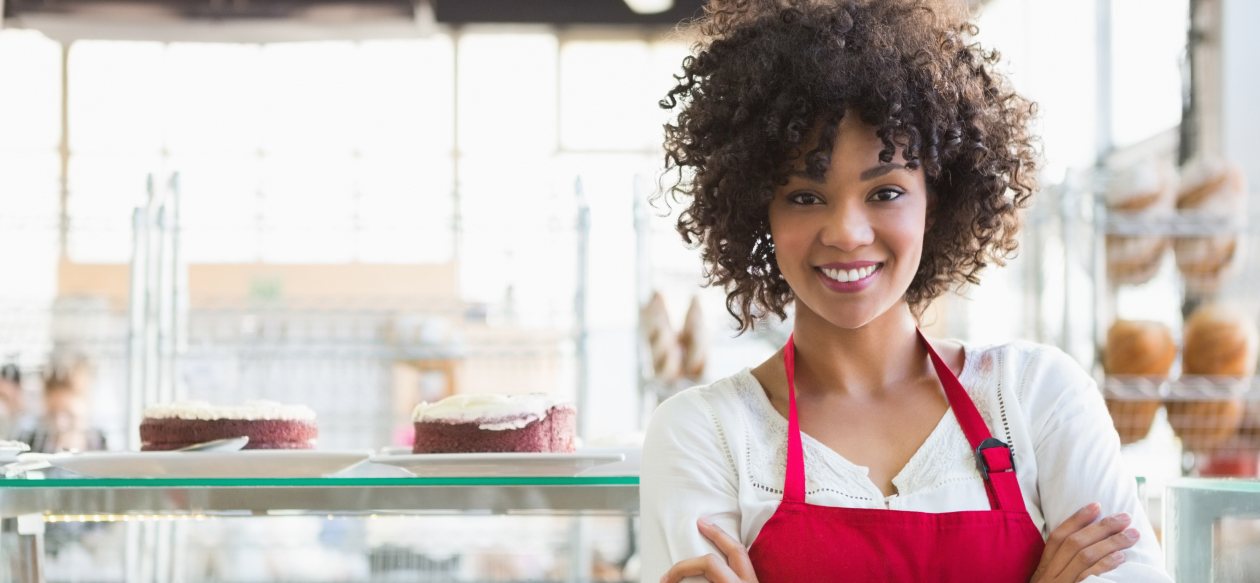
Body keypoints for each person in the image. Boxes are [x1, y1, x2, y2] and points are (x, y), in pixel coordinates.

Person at [640, 1, 1172, 581]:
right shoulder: (704, 433)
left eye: (885, 192)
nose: (846, 232)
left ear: (935, 201)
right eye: (804, 195)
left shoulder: (1039, 397)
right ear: (757, 210)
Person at [16, 355, 107, 453]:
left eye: (70, 415)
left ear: (88, 406)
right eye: (52, 414)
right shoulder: (30, 442)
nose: (60, 424)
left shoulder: (99, 443)